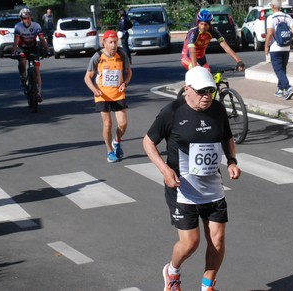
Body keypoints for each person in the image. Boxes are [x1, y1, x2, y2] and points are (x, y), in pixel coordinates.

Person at [142, 66, 241, 291]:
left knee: (217, 240)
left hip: (213, 186)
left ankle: (207, 286)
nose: (207, 96)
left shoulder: (217, 109)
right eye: (201, 91)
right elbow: (148, 142)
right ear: (187, 89)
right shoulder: (172, 112)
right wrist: (165, 170)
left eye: (211, 91)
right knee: (190, 243)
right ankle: (172, 271)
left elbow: (227, 137)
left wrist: (232, 161)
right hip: (182, 189)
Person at [84, 30, 132, 163]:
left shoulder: (121, 54)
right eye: (110, 42)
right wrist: (94, 90)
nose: (113, 45)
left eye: (115, 42)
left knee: (123, 124)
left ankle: (116, 141)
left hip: (118, 94)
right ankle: (110, 151)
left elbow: (128, 72)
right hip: (102, 95)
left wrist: (125, 83)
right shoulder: (97, 56)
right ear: (104, 43)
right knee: (108, 124)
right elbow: (87, 77)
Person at [264, 0, 293, 100]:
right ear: (280, 6)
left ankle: (288, 88)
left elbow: (269, 34)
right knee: (282, 69)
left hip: (275, 48)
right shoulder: (288, 16)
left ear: (272, 6)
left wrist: (266, 46)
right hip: (286, 47)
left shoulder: (271, 18)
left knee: (278, 70)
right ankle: (280, 89)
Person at [11, 8, 51, 102]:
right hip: (22, 48)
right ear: (21, 19)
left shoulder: (36, 26)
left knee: (37, 71)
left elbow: (42, 39)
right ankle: (23, 76)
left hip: (33, 47)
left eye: (28, 18)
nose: (26, 20)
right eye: (24, 18)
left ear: (31, 17)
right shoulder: (18, 27)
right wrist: (13, 52)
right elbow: (16, 41)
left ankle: (38, 94)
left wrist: (48, 50)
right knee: (22, 60)